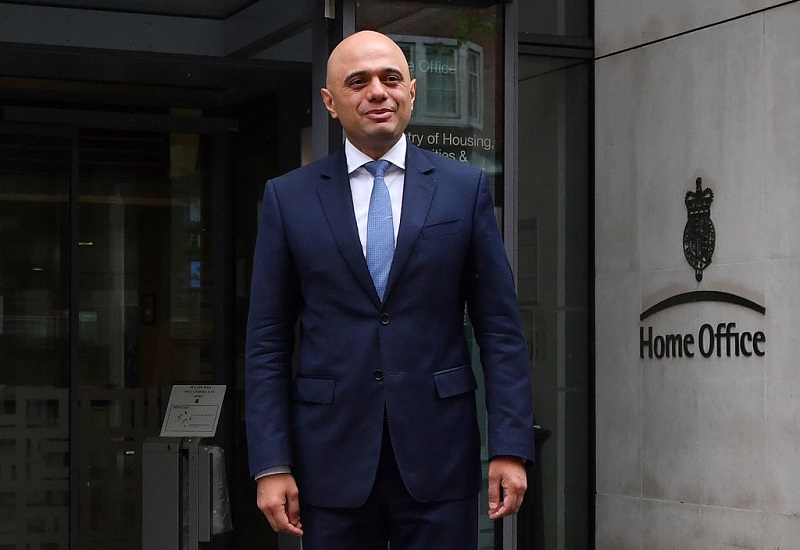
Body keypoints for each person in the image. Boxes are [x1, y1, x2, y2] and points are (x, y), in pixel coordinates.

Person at [245, 29, 535, 549]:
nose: (378, 92)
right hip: (328, 461)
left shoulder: (463, 189)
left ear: (412, 92)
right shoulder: (288, 199)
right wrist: (271, 463)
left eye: (391, 78)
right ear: (330, 102)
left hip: (439, 456)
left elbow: (500, 330)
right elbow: (267, 342)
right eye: (358, 82)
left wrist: (509, 446)